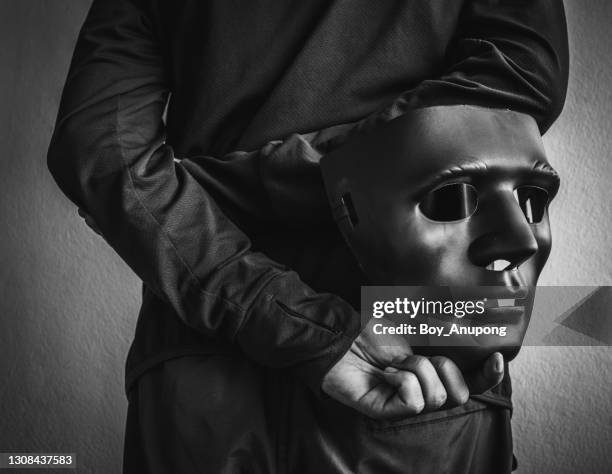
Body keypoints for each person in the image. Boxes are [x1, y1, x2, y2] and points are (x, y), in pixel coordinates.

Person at [47, 0, 568, 472]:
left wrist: (222, 186)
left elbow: (98, 146)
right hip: (416, 337)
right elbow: (522, 73)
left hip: (204, 352)